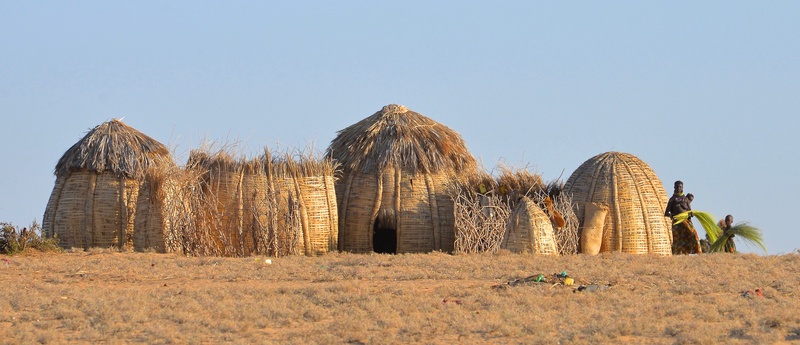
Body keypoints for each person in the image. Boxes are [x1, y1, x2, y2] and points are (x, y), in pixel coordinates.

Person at [664, 180, 702, 254]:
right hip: (677, 222)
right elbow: (666, 213)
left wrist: (691, 214)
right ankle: (677, 253)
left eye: (680, 187)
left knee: (692, 234)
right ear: (674, 187)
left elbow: (689, 211)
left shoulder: (686, 199)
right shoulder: (672, 200)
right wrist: (672, 215)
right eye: (677, 187)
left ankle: (694, 251)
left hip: (686, 221)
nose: (678, 188)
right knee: (677, 239)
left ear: (682, 188)